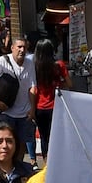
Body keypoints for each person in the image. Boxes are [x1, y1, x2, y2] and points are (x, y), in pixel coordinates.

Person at [0, 36, 37, 164]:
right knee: (7, 143)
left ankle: (19, 167)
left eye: (24, 47)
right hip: (7, 112)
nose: (22, 50)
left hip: (24, 112)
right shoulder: (1, 62)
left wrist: (32, 109)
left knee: (22, 143)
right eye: (19, 47)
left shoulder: (29, 63)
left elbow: (32, 87)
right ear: (12, 48)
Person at [31, 38, 69, 166]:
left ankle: (47, 164)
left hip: (39, 107)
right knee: (58, 136)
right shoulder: (59, 65)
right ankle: (59, 162)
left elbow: (32, 88)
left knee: (43, 136)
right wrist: (58, 83)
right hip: (56, 106)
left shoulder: (34, 67)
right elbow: (70, 83)